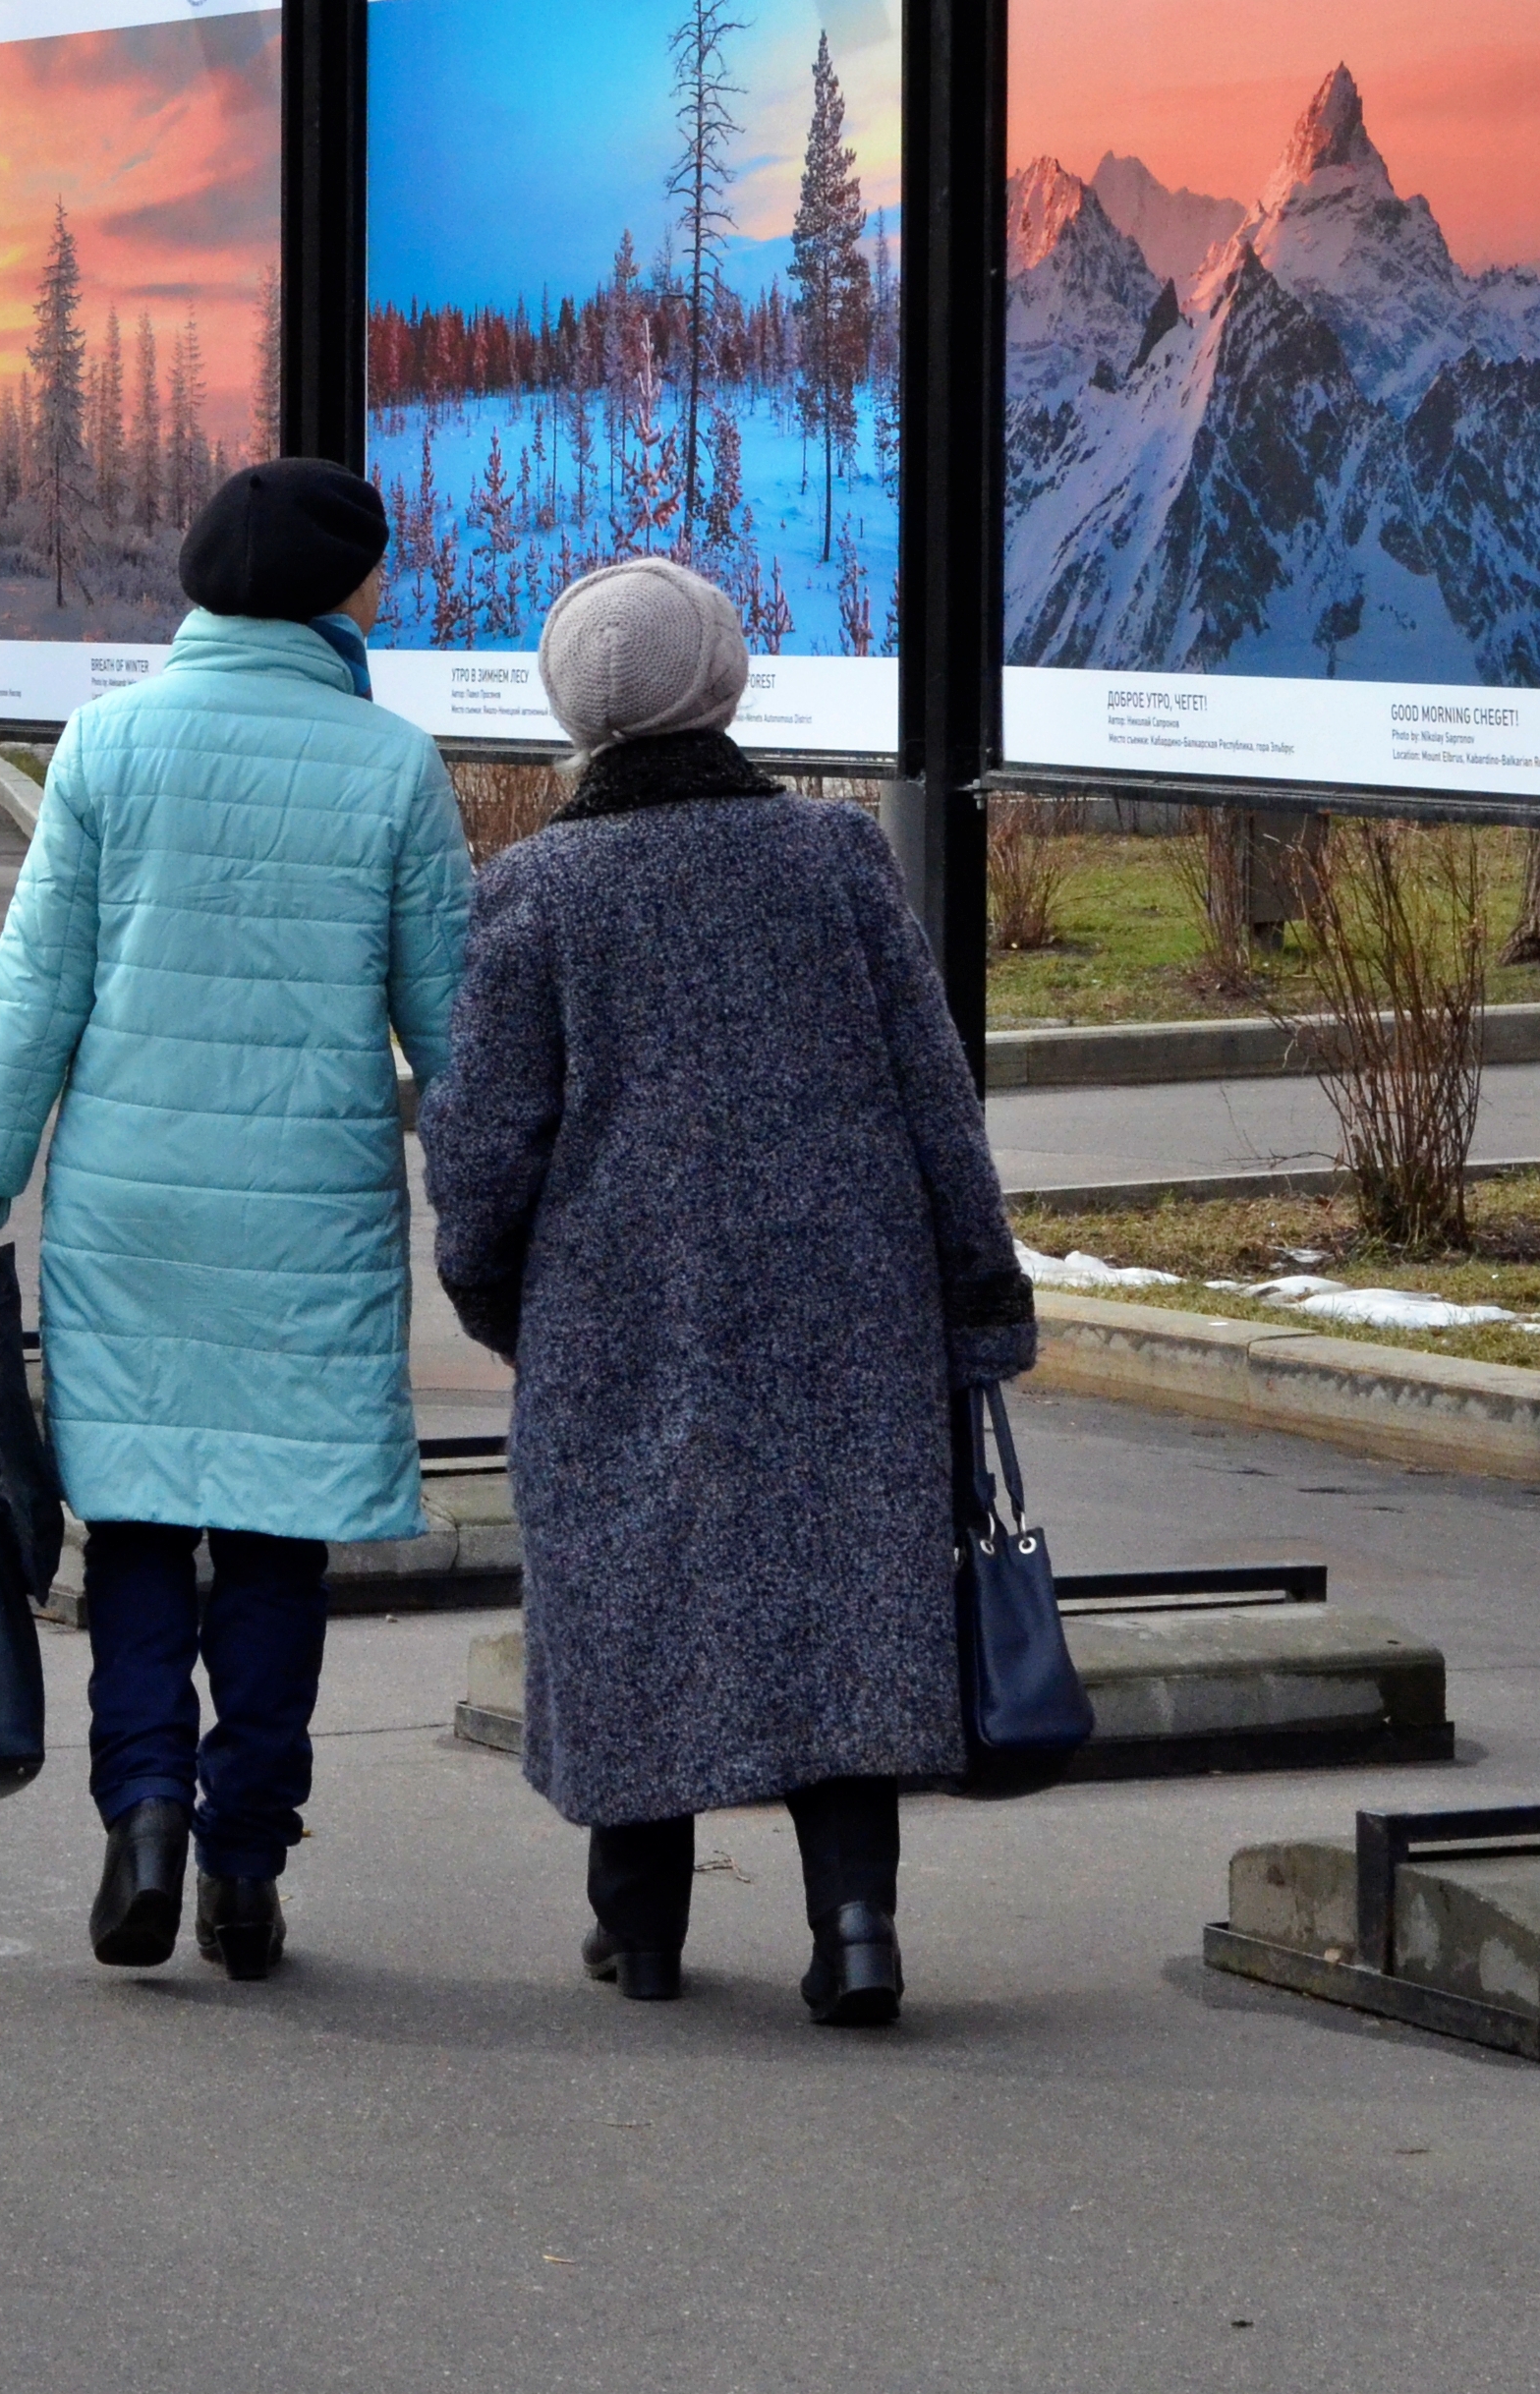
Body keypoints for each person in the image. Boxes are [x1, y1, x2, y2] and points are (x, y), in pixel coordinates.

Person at [419, 555, 1036, 2025]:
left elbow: (480, 1145)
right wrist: (976, 1291)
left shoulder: (534, 893)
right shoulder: (834, 858)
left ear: (574, 713)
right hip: (848, 1302)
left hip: (619, 1312)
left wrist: (500, 1298)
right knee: (841, 1598)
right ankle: (857, 1923)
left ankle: (640, 1932)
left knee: (635, 1592)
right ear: (724, 684)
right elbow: (934, 1093)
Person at [0, 458, 473, 1984]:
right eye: (374, 567)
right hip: (308, 1216)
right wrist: (509, 1205)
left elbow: (36, 986)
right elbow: (453, 1030)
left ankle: (146, 1814)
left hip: (132, 1206)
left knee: (143, 1524)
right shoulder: (392, 766)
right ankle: (244, 1863)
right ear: (330, 587)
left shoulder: (107, 743)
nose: (385, 589)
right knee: (281, 1543)